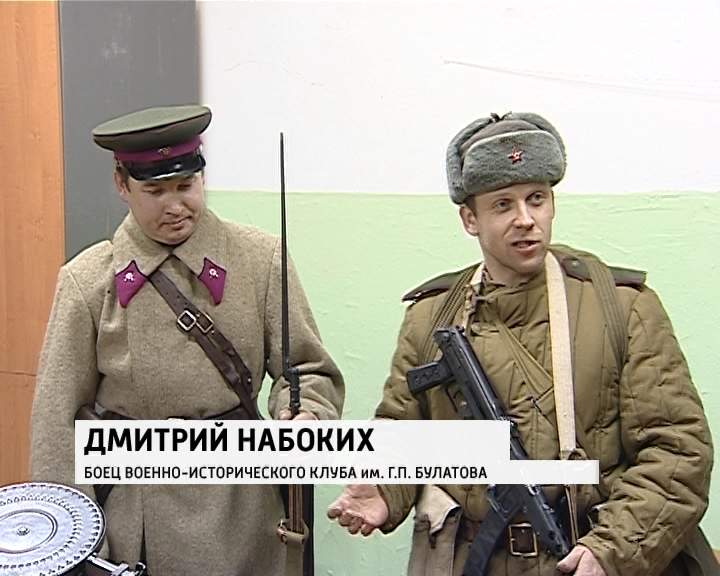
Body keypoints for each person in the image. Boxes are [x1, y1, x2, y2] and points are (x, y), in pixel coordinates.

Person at [328, 112, 717, 576]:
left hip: (586, 555)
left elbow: (678, 451)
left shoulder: (621, 306)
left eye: (537, 199)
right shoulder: (431, 316)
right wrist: (384, 488)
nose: (526, 220)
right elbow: (405, 433)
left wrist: (610, 550)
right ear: (470, 219)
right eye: (503, 205)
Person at [31, 104, 344, 576]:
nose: (175, 205)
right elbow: (56, 424)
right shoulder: (87, 281)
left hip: (242, 506)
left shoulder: (260, 259)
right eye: (154, 191)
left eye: (185, 185)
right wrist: (72, 547)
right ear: (122, 185)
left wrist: (303, 414)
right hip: (134, 515)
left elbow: (307, 369)